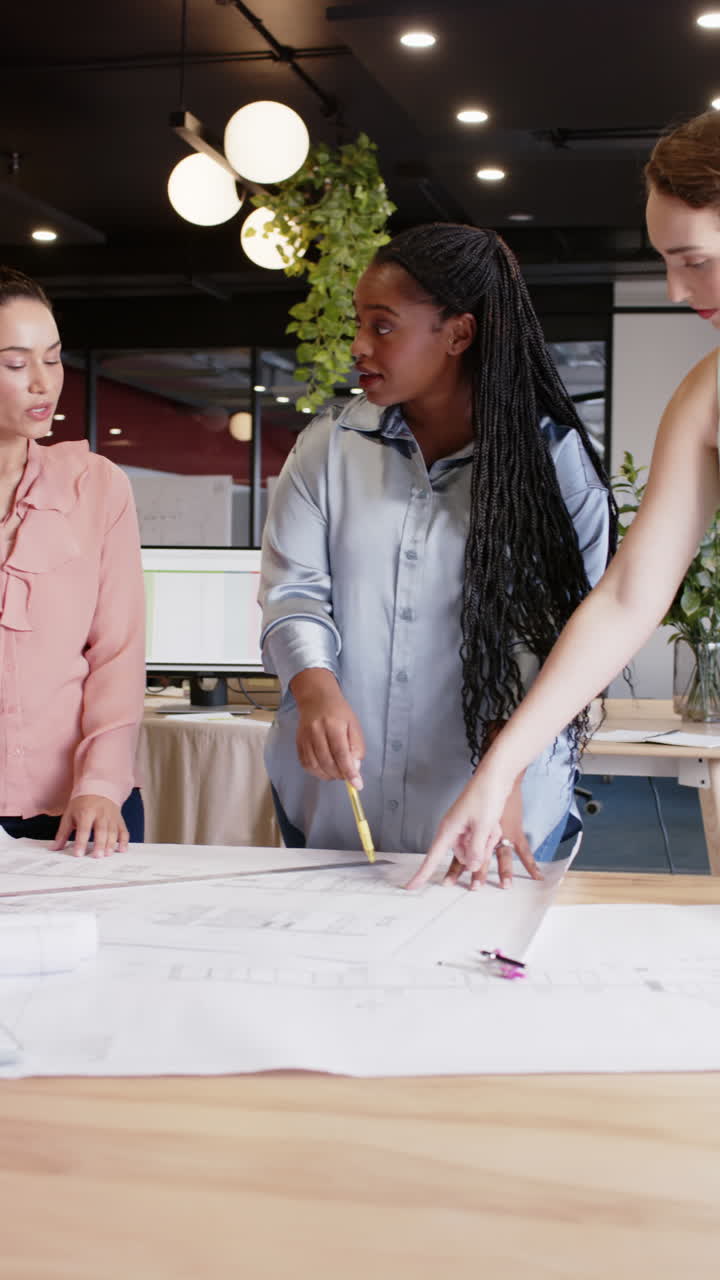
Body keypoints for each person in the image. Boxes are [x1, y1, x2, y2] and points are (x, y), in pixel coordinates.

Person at [409, 109, 720, 890]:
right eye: (666, 263)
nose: (676, 289)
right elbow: (626, 596)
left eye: (694, 261)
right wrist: (499, 768)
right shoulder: (706, 397)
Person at [260, 222, 616, 880]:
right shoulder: (327, 449)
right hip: (334, 806)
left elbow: (567, 643)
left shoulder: (556, 469)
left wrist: (506, 770)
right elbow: (294, 593)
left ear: (458, 334)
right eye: (359, 324)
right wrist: (314, 689)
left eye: (383, 325)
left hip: (499, 817)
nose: (359, 346)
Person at [0, 266, 145, 857]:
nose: (43, 383)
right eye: (15, 364)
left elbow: (118, 653)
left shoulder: (96, 486)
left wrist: (102, 785)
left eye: (53, 358)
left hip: (83, 811)